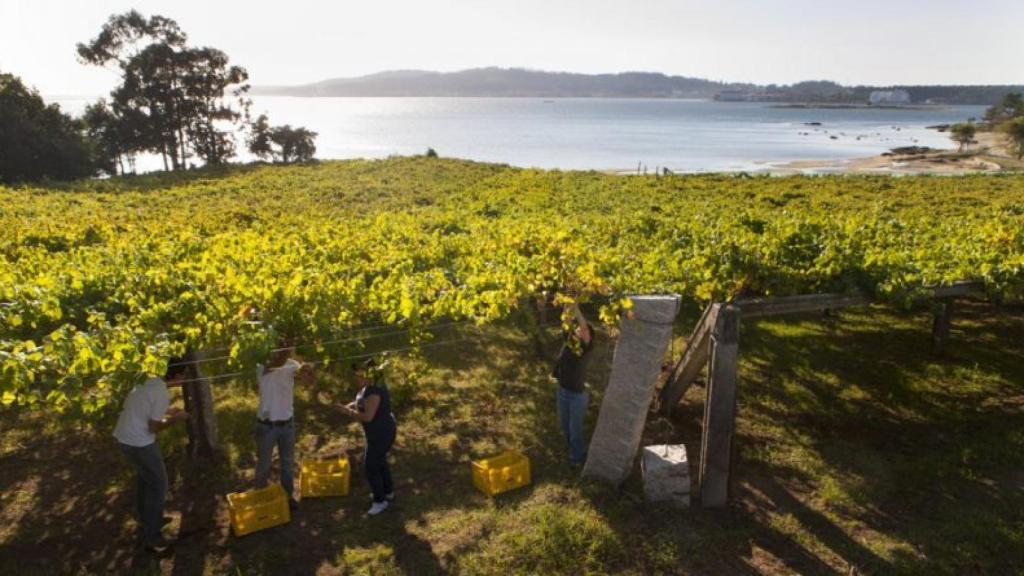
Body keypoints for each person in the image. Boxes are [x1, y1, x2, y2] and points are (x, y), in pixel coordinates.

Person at [113, 359, 190, 552]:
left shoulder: (149, 380)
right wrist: (175, 419)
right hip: (140, 443)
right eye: (185, 374)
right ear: (177, 376)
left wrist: (167, 411)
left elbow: (146, 408)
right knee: (159, 484)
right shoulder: (162, 392)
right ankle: (152, 535)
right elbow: (154, 427)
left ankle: (146, 518)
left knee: (145, 479)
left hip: (125, 438)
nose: (186, 378)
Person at [255, 342, 315, 511]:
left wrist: (308, 371)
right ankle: (260, 500)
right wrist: (290, 343)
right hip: (267, 426)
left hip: (287, 425)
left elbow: (309, 383)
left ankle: (288, 497)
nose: (283, 349)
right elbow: (278, 361)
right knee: (263, 466)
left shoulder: (292, 365)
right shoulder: (262, 365)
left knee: (287, 464)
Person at [338, 357, 398, 515]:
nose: (355, 377)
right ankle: (388, 492)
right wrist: (348, 406)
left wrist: (347, 412)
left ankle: (380, 501)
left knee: (370, 465)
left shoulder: (375, 391)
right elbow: (360, 401)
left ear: (368, 374)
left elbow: (368, 416)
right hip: (376, 432)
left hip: (382, 432)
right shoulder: (368, 387)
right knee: (380, 461)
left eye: (358, 374)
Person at [552, 303, 593, 466]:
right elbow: (566, 323)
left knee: (575, 430)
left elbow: (583, 326)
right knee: (565, 426)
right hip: (562, 391)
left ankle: (578, 457)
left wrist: (575, 307)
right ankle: (573, 451)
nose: (578, 330)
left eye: (583, 331)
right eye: (576, 330)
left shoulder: (584, 348)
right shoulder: (571, 343)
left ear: (587, 337)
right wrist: (566, 304)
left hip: (577, 396)